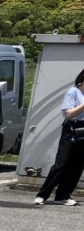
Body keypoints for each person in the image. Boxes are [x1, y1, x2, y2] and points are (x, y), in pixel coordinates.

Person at [33, 67, 84, 207]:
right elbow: (68, 113)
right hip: (72, 129)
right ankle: (42, 195)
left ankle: (63, 195)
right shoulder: (73, 92)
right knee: (61, 163)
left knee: (77, 165)